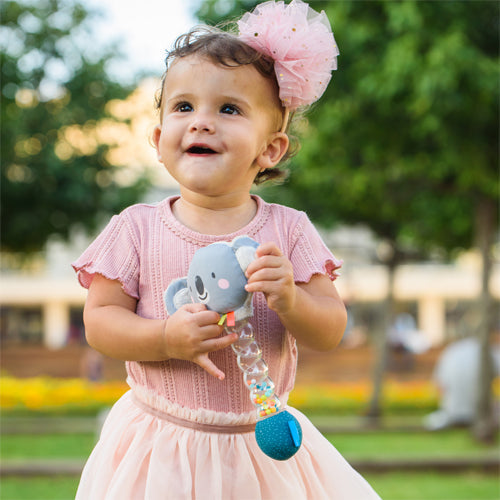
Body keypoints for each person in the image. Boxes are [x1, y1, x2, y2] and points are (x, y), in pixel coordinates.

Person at [72, 1, 380, 498]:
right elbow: (100, 322)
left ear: (270, 149)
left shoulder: (289, 230)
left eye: (229, 109)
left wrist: (291, 300)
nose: (201, 122)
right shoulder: (136, 228)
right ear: (159, 138)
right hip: (160, 447)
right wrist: (164, 338)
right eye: (184, 107)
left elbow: (330, 329)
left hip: (259, 450)